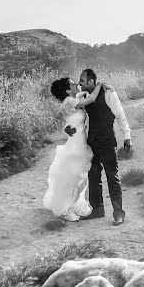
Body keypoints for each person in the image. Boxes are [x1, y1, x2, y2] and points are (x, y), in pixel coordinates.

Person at [66, 68, 132, 225]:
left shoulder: (109, 93)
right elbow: (75, 111)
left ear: (91, 81)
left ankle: (118, 213)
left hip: (108, 141)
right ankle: (97, 210)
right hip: (92, 142)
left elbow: (120, 115)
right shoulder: (83, 95)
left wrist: (127, 136)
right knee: (93, 176)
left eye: (82, 80)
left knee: (112, 176)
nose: (79, 83)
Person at [44, 77, 103, 221]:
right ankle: (64, 209)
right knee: (74, 177)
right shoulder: (70, 101)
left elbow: (70, 121)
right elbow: (92, 99)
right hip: (76, 143)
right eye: (72, 83)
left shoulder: (71, 100)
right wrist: (100, 84)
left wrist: (66, 128)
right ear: (67, 89)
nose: (76, 84)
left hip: (78, 141)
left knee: (79, 177)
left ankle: (75, 204)